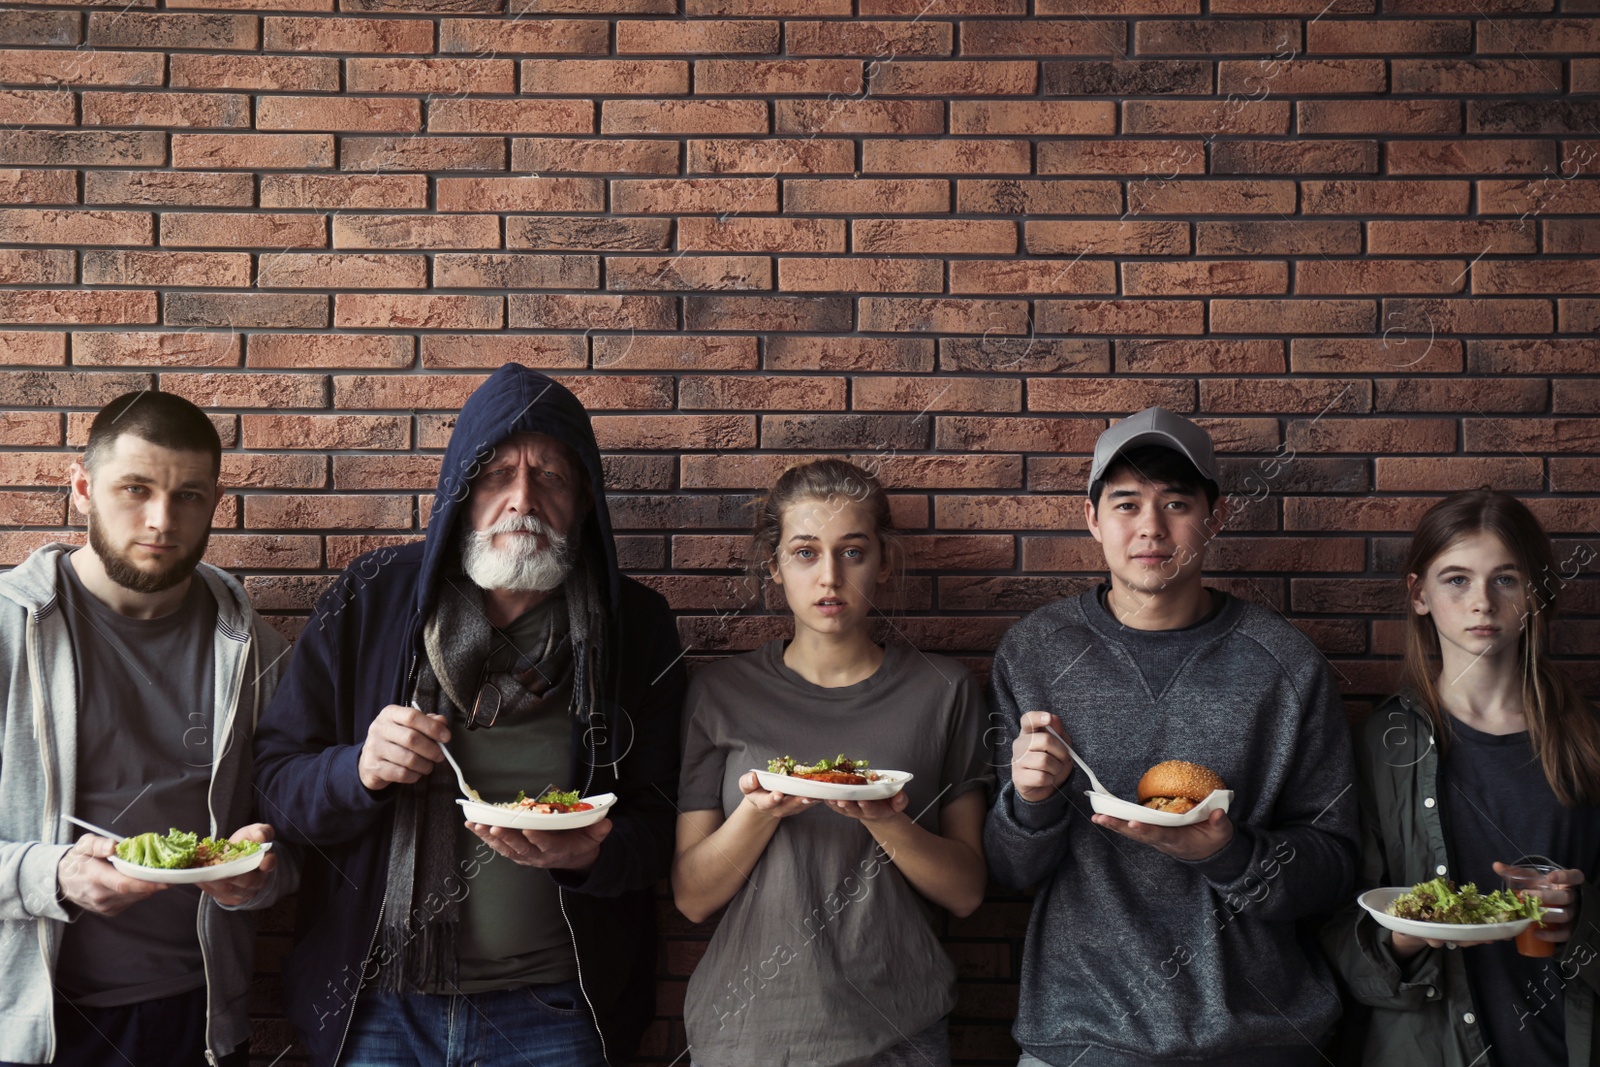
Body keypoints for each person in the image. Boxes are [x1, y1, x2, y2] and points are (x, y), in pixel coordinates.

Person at [254, 363, 686, 1067]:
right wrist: (357, 768)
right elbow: (274, 782)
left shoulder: (636, 627)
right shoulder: (371, 597)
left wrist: (594, 853)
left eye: (550, 475)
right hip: (378, 1009)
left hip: (556, 1009)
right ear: (460, 491)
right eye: (496, 474)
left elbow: (662, 817)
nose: (523, 500)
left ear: (583, 501)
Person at [983, 407, 1360, 1066]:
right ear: (1093, 519)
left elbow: (1334, 870)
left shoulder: (1287, 665)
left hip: (1259, 1040)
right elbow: (1009, 871)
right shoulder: (1035, 652)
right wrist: (1032, 800)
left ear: (1214, 518)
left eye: (1176, 503)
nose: (1151, 528)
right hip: (1082, 1038)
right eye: (1126, 504)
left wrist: (1228, 852)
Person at [0, 391, 293, 1067]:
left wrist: (262, 874)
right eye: (135, 488)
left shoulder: (262, 654)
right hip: (30, 1027)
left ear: (216, 501)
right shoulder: (9, 638)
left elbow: (297, 846)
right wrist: (55, 876)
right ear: (81, 488)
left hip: (199, 1022)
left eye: (189, 495)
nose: (162, 519)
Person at [672, 459, 992, 1067]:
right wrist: (760, 813)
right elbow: (692, 897)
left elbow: (967, 893)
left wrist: (884, 817)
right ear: (775, 566)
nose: (829, 576)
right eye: (804, 552)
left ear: (883, 561)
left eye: (852, 552)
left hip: (900, 1027)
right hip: (748, 1033)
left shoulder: (944, 690)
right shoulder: (719, 693)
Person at [1322, 489, 1600, 1066]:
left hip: (1561, 1044)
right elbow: (1329, 934)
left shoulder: (1588, 742)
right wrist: (1405, 936)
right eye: (1456, 580)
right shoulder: (1378, 745)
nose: (1482, 603)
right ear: (1419, 594)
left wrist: (1581, 916)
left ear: (1536, 594)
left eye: (1506, 579)